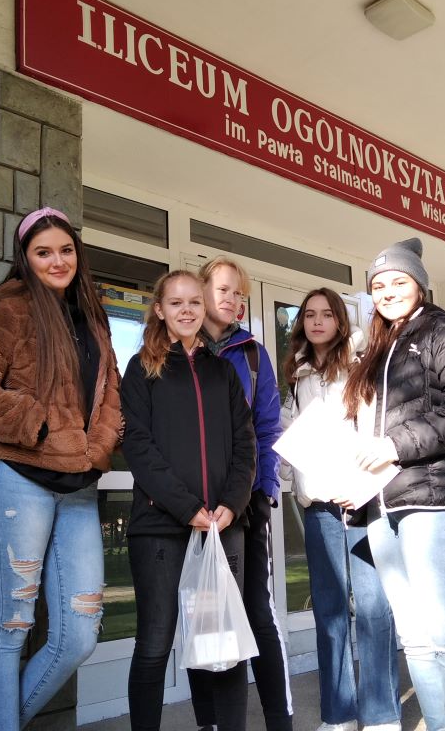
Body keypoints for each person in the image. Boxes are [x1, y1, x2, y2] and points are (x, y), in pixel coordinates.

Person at [0, 207, 123, 731]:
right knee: (12, 627)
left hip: (78, 488)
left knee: (79, 635)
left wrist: (96, 446)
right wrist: (39, 425)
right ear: (26, 258)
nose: (57, 260)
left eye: (65, 250)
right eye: (43, 252)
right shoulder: (11, 306)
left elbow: (109, 395)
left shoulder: (92, 317)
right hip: (17, 480)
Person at [344, 238, 445, 731]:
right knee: (417, 639)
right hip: (383, 506)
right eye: (378, 285)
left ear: (420, 285)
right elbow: (371, 432)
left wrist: (393, 445)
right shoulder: (379, 349)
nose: (387, 292)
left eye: (398, 281)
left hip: (434, 499)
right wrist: (354, 481)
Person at [120, 270, 257, 731]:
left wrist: (231, 504)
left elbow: (246, 444)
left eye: (194, 302)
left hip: (222, 525)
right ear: (159, 310)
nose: (186, 310)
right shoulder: (141, 369)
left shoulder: (223, 371)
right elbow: (138, 446)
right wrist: (186, 507)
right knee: (155, 643)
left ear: (204, 307)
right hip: (161, 526)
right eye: (176, 303)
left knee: (222, 642)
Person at [280, 288, 402, 731]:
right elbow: (292, 436)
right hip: (320, 506)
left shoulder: (360, 365)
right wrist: (294, 479)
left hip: (362, 502)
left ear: (340, 320)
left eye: (326, 314)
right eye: (309, 314)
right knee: (330, 612)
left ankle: (382, 713)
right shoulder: (297, 376)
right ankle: (339, 714)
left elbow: (375, 429)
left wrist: (363, 485)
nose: (317, 322)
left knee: (373, 607)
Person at [193, 255, 293, 731]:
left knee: (256, 611)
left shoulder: (253, 355)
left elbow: (268, 428)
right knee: (203, 613)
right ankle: (210, 722)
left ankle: (279, 720)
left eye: (239, 293)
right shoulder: (178, 347)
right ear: (201, 290)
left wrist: (266, 489)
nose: (232, 300)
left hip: (246, 503)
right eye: (224, 289)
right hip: (193, 507)